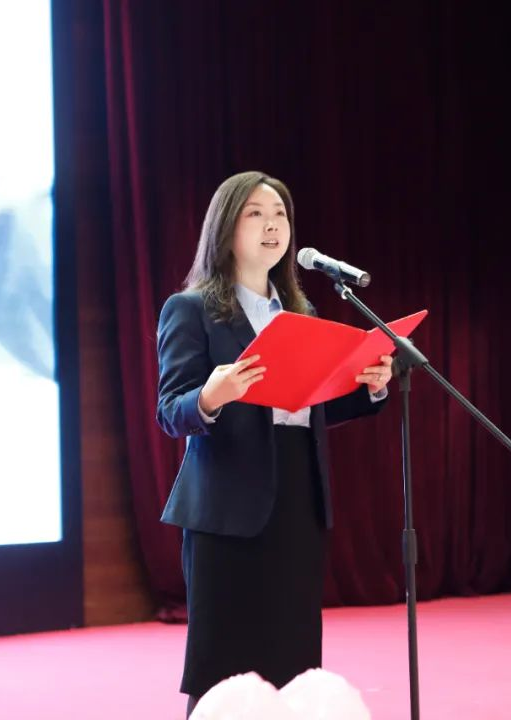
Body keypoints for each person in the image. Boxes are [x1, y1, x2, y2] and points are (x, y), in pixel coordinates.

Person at [155, 171, 394, 717]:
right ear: (226, 227)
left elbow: (309, 408)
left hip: (297, 499)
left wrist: (369, 388)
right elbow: (170, 411)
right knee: (221, 669)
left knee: (293, 662)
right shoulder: (191, 309)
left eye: (280, 214)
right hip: (226, 507)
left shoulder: (301, 315)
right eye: (256, 214)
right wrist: (211, 396)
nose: (272, 226)